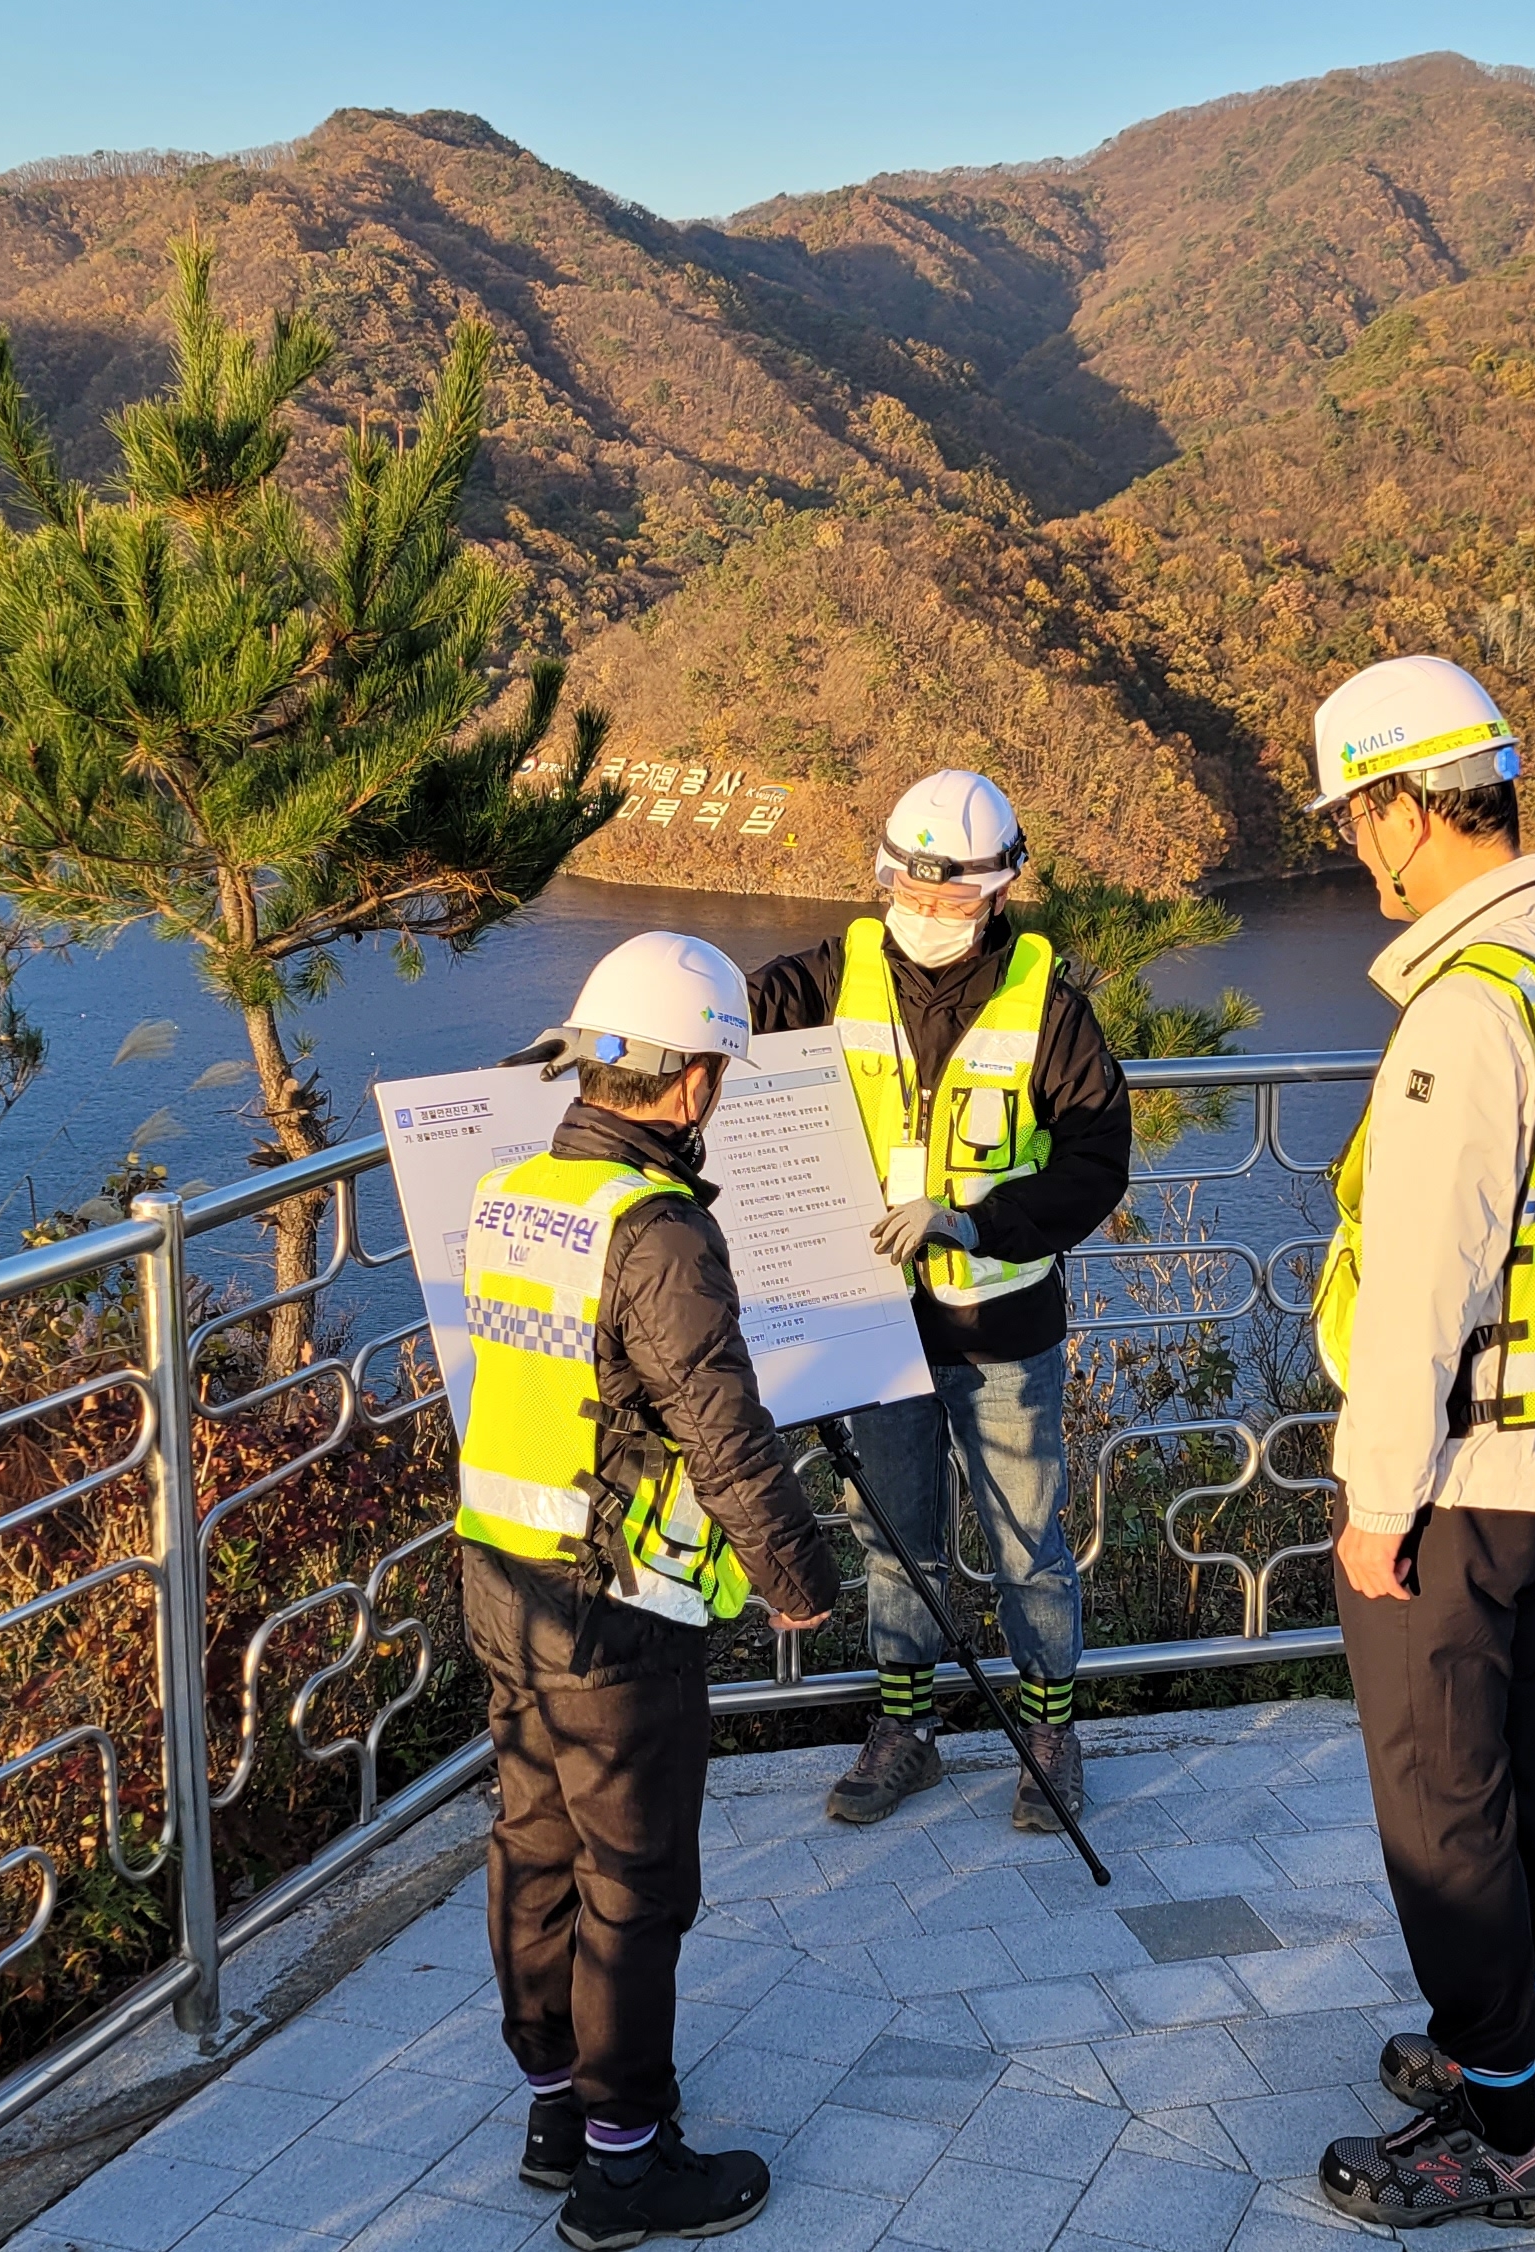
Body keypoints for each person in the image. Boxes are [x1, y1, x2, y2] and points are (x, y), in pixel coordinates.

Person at [1299, 657, 1535, 2232]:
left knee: (1440, 1805)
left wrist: (1376, 1507)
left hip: (1452, 1471)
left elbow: (1422, 1285)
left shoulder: (1463, 1012)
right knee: (1513, 1763)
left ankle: (1501, 2132)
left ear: (1402, 809)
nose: (1353, 853)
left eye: (1355, 819)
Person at [453, 932, 840, 2249]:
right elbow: (722, 1432)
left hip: (501, 1576)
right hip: (611, 1612)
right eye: (720, 1071)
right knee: (634, 1883)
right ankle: (626, 2169)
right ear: (688, 1085)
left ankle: (556, 2110)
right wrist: (797, 1578)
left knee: (534, 1851)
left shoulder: (514, 1193)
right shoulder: (658, 1235)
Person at [744, 769, 1133, 1834]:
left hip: (1001, 1326)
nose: (923, 918)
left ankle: (1049, 1734)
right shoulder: (830, 977)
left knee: (1027, 1545)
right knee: (894, 1541)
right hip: (874, 1329)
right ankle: (905, 1731)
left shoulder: (1046, 1008)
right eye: (907, 895)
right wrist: (606, 1041)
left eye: (949, 902)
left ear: (1002, 891)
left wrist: (975, 1220)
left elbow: (1099, 1156)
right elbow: (713, 1020)